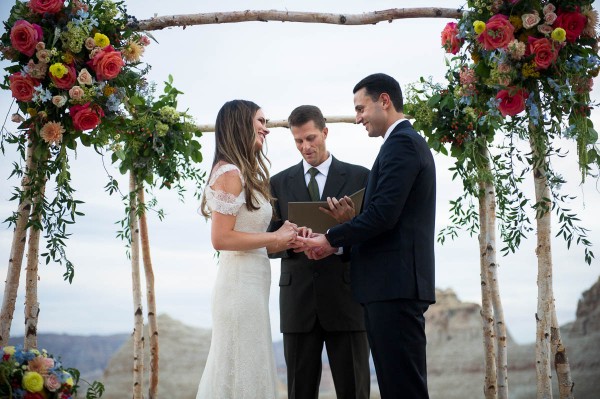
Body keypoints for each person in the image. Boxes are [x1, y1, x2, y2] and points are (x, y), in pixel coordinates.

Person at [297, 74, 436, 399]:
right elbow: (383, 218)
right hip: (390, 286)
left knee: (403, 388)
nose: (358, 117)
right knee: (397, 386)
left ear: (383, 101)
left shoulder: (401, 144)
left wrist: (329, 238)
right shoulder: (400, 143)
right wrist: (340, 244)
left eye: (361, 109)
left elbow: (382, 216)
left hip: (394, 287)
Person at [196, 99, 300, 399]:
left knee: (251, 365)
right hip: (238, 289)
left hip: (253, 286)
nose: (265, 130)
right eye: (261, 121)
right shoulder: (229, 172)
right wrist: (274, 238)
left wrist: (288, 236)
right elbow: (221, 239)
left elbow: (250, 232)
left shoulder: (244, 172)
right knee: (242, 368)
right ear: (241, 124)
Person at [268, 105, 371, 399]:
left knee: (355, 392)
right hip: (298, 303)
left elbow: (373, 238)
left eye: (311, 138)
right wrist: (288, 241)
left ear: (325, 132)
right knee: (299, 392)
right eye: (298, 141)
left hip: (347, 300)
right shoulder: (277, 183)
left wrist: (345, 234)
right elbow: (268, 244)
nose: (305, 147)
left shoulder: (360, 177)